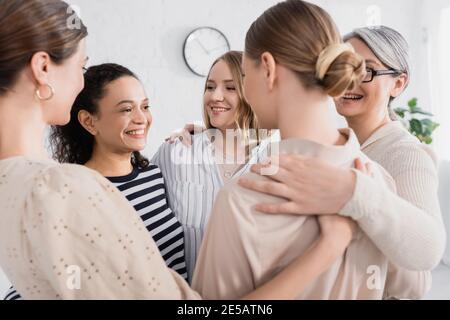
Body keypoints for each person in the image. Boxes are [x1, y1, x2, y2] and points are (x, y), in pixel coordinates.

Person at [0, 0, 356, 300]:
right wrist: (326, 249)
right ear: (43, 68)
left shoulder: (14, 182)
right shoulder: (69, 186)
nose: (80, 81)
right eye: (81, 66)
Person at [192, 0, 402, 300]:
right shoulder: (378, 181)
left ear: (267, 68)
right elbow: (410, 287)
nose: (244, 88)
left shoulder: (244, 198)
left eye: (243, 75)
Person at [238, 26, 446, 299]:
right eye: (344, 67)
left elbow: (428, 250)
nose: (350, 82)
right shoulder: (335, 146)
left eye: (367, 71)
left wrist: (353, 190)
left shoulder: (406, 153)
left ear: (398, 83)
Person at [4, 63, 188, 300]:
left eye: (145, 106)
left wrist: (206, 135)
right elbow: (43, 278)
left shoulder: (153, 175)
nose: (141, 118)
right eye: (126, 110)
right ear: (89, 122)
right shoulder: (73, 193)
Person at [152, 51, 273, 281]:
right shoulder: (176, 150)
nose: (215, 96)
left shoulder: (274, 157)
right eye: (210, 87)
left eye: (230, 87)